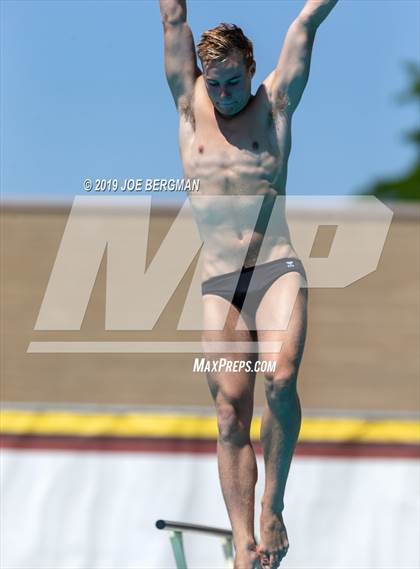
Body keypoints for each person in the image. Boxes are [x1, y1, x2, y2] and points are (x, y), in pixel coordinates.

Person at [158, 1, 338, 567]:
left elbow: (306, 22)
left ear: (251, 68)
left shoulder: (276, 102)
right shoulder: (191, 106)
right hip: (220, 283)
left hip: (276, 268)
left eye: (234, 82)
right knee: (230, 412)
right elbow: (171, 18)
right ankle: (243, 541)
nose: (224, 94)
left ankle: (272, 507)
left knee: (280, 379)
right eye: (215, 84)